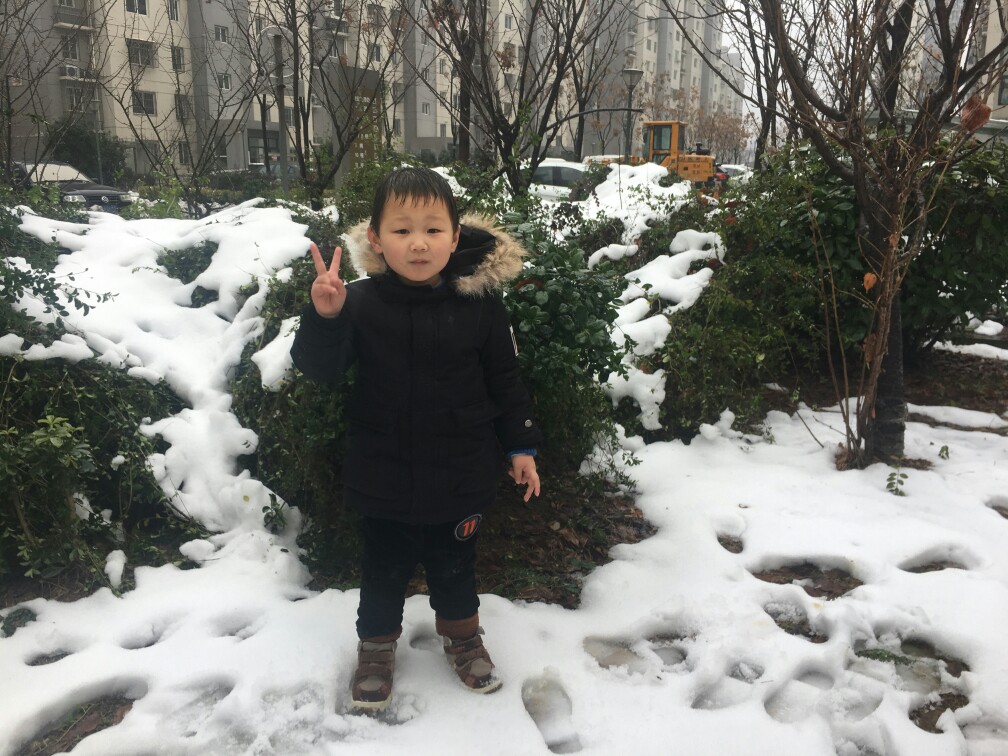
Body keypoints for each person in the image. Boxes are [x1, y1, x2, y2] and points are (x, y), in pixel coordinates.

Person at [290, 167, 542, 711]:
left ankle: (464, 639)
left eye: (432, 229)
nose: (419, 243)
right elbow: (321, 371)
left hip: (461, 469)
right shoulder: (359, 302)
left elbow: (505, 381)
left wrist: (521, 447)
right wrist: (326, 317)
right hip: (383, 470)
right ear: (376, 238)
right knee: (383, 570)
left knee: (455, 567)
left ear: (454, 236)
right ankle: (376, 648)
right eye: (402, 230)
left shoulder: (481, 305)